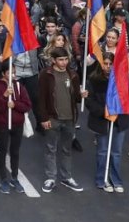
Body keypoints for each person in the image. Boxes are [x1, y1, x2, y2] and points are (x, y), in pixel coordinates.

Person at [37, 48, 87, 193]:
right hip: (52, 118)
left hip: (70, 119)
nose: (64, 62)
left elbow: (76, 98)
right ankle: (50, 178)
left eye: (66, 59)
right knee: (50, 149)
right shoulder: (46, 75)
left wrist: (82, 94)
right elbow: (41, 98)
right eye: (60, 60)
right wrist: (44, 118)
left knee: (67, 149)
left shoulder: (73, 75)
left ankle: (66, 177)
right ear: (53, 60)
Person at [85, 53, 129, 192]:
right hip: (101, 122)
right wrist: (103, 111)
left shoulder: (122, 80)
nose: (108, 67)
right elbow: (89, 102)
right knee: (102, 152)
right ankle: (101, 179)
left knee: (116, 152)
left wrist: (118, 108)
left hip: (119, 122)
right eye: (105, 63)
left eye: (111, 64)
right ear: (100, 64)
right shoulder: (93, 80)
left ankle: (115, 179)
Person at [0, 59, 32, 195]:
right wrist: (4, 97)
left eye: (14, 72)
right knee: (2, 151)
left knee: (15, 151)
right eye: (10, 72)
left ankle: (14, 177)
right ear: (3, 73)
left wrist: (15, 104)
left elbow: (27, 105)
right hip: (2, 124)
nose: (13, 75)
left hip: (17, 124)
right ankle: (3, 178)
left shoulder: (19, 86)